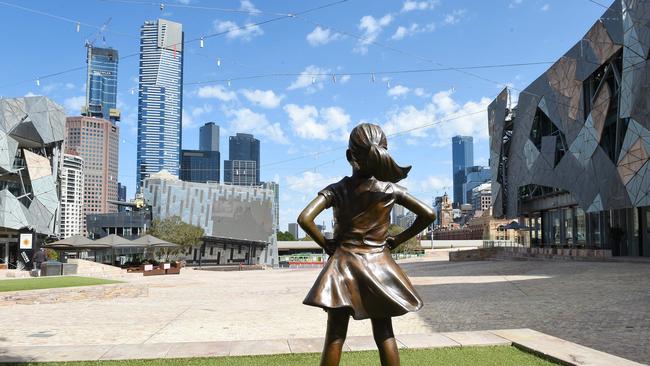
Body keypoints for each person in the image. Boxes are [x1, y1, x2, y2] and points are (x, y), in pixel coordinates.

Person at [298, 123, 436, 366]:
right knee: (384, 332)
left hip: (342, 267)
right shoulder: (390, 189)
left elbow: (304, 218)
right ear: (383, 152)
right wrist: (396, 240)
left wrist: (327, 245)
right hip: (379, 266)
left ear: (350, 156)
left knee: (335, 336)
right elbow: (428, 214)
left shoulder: (336, 190)